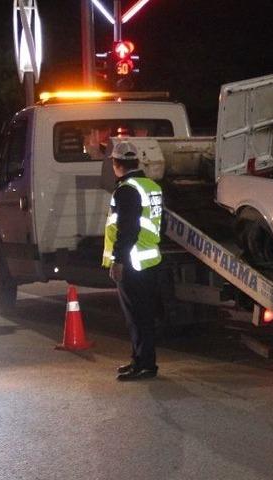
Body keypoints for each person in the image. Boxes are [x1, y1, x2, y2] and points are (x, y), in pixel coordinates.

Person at [103, 141, 164, 381]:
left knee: (137, 317)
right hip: (150, 259)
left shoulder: (127, 190)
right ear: (136, 162)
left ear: (116, 164)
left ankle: (144, 365)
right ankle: (139, 360)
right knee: (143, 315)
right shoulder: (151, 186)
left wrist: (118, 260)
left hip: (133, 262)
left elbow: (127, 228)